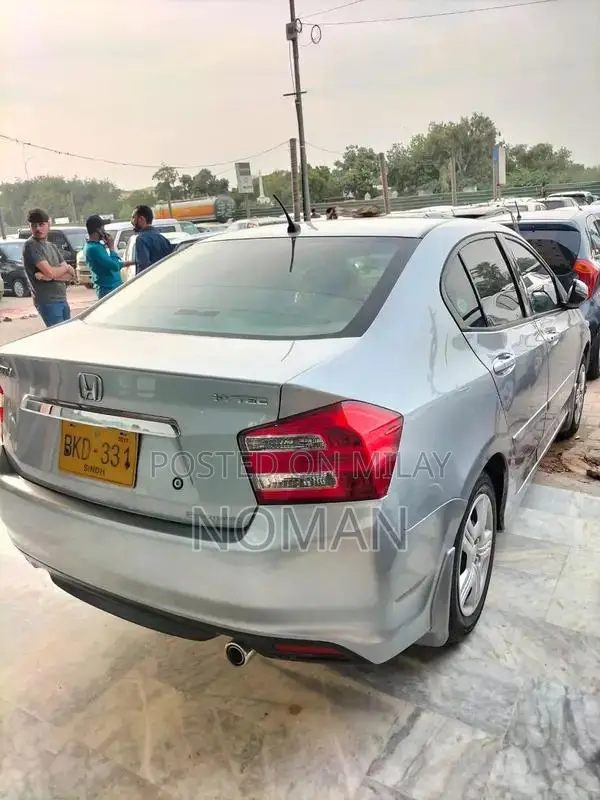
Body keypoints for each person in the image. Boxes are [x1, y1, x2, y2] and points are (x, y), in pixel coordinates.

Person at [22, 208, 75, 327]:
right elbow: (51, 272)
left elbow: (70, 275)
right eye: (34, 225)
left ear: (48, 224)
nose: (37, 229)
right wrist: (65, 268)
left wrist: (49, 276)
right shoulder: (31, 245)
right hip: (48, 301)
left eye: (41, 224)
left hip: (62, 298)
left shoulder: (52, 246)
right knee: (59, 338)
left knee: (67, 336)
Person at [83, 215, 134, 299]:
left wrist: (132, 262)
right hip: (108, 290)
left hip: (114, 288)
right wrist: (111, 248)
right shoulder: (93, 248)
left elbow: (114, 263)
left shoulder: (97, 246)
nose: (104, 230)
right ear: (98, 230)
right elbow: (115, 266)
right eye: (103, 228)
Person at [131, 205, 174, 275]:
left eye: (133, 217)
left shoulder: (141, 239)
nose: (132, 221)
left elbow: (143, 266)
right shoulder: (162, 238)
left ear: (141, 219)